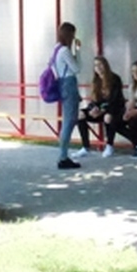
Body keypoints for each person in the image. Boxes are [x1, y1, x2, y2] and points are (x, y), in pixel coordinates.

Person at [73, 55, 135, 158]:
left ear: (106, 65)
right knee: (80, 114)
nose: (98, 67)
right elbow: (94, 100)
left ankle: (109, 145)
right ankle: (85, 147)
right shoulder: (95, 81)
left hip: (114, 109)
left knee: (108, 117)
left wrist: (102, 110)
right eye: (95, 65)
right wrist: (93, 108)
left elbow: (115, 100)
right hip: (99, 110)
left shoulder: (115, 79)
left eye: (100, 64)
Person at [53, 22, 82, 170]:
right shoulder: (65, 51)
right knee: (69, 121)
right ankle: (63, 157)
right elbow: (77, 68)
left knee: (67, 120)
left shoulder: (56, 49)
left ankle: (63, 155)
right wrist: (77, 51)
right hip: (69, 83)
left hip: (62, 84)